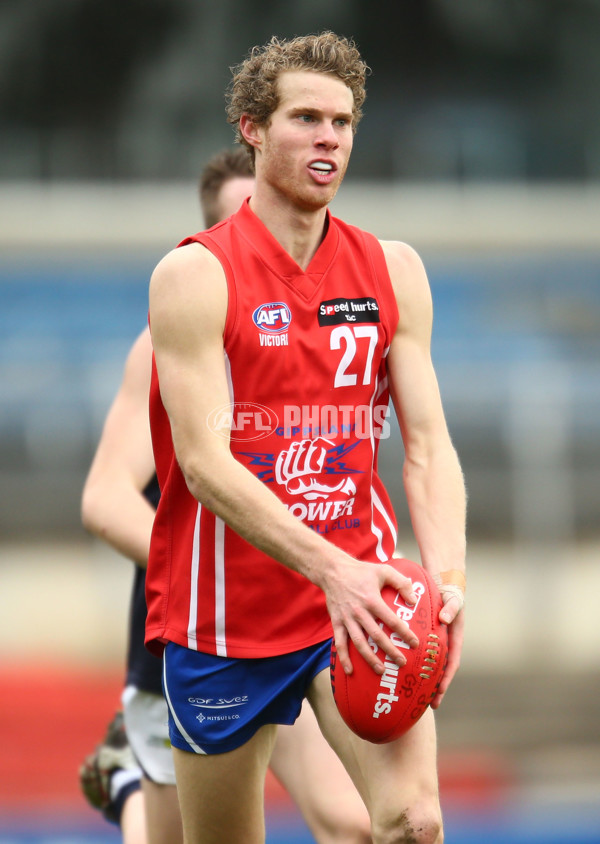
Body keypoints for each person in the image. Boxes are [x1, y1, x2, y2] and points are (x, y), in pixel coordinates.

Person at [147, 31, 466, 844]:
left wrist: (447, 583)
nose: (330, 137)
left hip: (358, 603)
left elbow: (428, 444)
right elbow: (203, 462)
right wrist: (334, 573)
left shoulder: (394, 270)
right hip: (225, 615)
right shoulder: (194, 275)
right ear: (252, 128)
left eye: (344, 121)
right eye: (306, 118)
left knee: (412, 824)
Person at [79, 146, 372, 844]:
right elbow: (105, 499)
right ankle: (125, 783)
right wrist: (210, 566)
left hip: (300, 617)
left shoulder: (329, 326)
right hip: (198, 633)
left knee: (356, 824)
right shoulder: (168, 341)